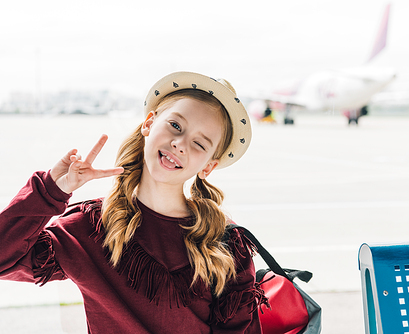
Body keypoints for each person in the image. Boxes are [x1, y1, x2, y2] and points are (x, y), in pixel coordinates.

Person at [0, 72, 265, 333]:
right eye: (175, 125)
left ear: (209, 166)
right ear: (149, 123)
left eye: (199, 143)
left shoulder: (226, 244)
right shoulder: (88, 228)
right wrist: (51, 191)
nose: (180, 144)